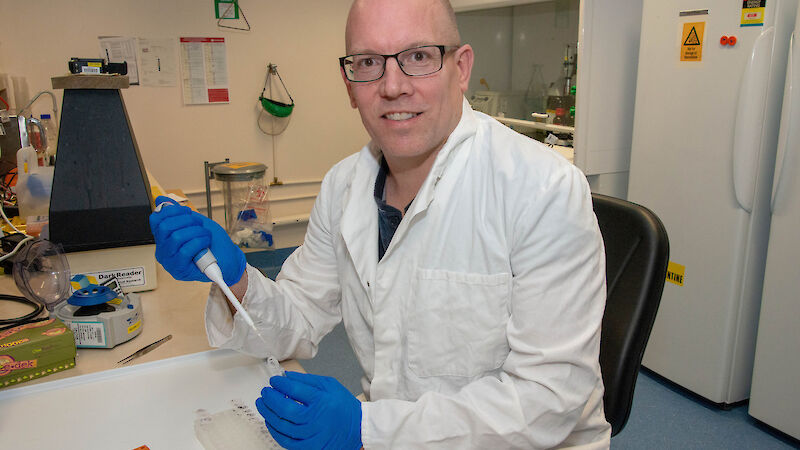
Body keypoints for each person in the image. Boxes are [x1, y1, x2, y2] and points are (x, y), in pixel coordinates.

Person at [149, 0, 611, 447]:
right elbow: (299, 317)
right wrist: (237, 282)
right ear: (350, 84)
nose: (393, 86)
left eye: (418, 57)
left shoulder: (542, 190)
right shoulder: (344, 186)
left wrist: (369, 430)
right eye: (369, 62)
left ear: (461, 67)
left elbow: (548, 400)